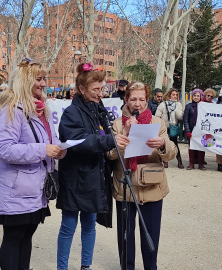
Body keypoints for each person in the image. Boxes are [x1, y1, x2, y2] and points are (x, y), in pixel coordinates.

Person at [0, 58, 65, 270]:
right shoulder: (11, 109)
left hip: (34, 188)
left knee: (27, 235)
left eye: (44, 79)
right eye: (39, 79)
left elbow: (49, 139)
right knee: (14, 238)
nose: (43, 84)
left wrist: (59, 148)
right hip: (16, 191)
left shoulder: (42, 108)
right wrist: (43, 150)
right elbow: (4, 149)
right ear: (25, 81)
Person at [56, 62, 127, 270]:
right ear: (82, 89)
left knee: (89, 225)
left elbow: (104, 135)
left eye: (102, 89)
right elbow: (79, 141)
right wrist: (108, 141)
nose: (100, 93)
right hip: (75, 178)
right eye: (96, 89)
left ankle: (86, 265)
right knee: (68, 226)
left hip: (94, 176)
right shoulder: (71, 113)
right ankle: (62, 267)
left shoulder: (98, 109)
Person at [107, 81, 176, 270]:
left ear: (147, 101)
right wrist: (123, 139)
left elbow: (172, 153)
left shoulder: (157, 122)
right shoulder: (118, 123)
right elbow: (110, 155)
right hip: (126, 188)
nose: (137, 103)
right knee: (126, 236)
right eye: (133, 99)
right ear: (126, 100)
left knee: (151, 235)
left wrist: (162, 144)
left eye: (141, 99)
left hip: (152, 187)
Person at [155, 88, 184, 168]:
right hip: (164, 127)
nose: (175, 96)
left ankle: (179, 161)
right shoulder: (163, 104)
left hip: (173, 126)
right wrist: (160, 126)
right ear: (169, 95)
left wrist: (175, 109)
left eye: (176, 95)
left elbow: (180, 117)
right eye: (173, 94)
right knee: (164, 144)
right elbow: (157, 116)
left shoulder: (178, 104)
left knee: (175, 144)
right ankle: (165, 161)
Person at [184, 89, 206, 170]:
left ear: (200, 96)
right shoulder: (188, 106)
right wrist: (187, 131)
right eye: (194, 95)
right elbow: (185, 119)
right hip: (192, 130)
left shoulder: (204, 106)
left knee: (201, 147)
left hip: (201, 130)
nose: (196, 97)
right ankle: (191, 163)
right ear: (192, 96)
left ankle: (201, 163)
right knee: (192, 148)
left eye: (198, 96)